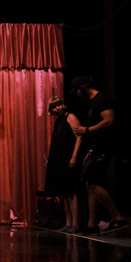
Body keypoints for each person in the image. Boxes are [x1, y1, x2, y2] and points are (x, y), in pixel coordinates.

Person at [70, 76, 129, 235]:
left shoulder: (101, 99)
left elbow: (109, 120)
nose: (77, 95)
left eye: (77, 91)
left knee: (92, 183)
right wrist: (90, 151)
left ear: (82, 88)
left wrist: (86, 130)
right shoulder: (93, 103)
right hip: (97, 147)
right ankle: (91, 224)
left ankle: (118, 218)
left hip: (105, 146)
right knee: (90, 183)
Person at [44, 96, 85, 233]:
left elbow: (79, 136)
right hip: (60, 160)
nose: (58, 108)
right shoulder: (58, 120)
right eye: (54, 107)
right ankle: (68, 222)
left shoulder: (70, 117)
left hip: (69, 158)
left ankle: (75, 223)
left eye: (59, 105)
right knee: (65, 192)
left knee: (72, 191)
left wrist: (74, 156)